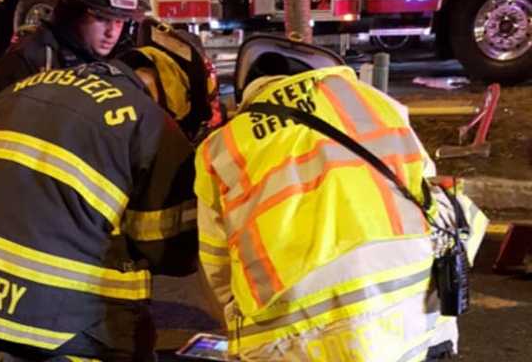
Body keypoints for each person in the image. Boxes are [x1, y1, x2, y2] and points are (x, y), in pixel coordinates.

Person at [0, 19, 219, 361]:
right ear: (182, 95)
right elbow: (167, 250)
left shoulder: (21, 90)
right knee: (129, 328)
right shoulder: (152, 123)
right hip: (54, 312)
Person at [194, 33, 489, 362]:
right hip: (411, 317)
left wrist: (235, 327)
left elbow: (216, 268)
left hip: (297, 339)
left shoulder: (223, 146)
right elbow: (428, 197)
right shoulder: (379, 105)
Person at [0, 0, 144, 104]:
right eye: (101, 18)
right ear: (75, 12)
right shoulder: (28, 60)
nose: (111, 33)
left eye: (119, 21)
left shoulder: (123, 62)